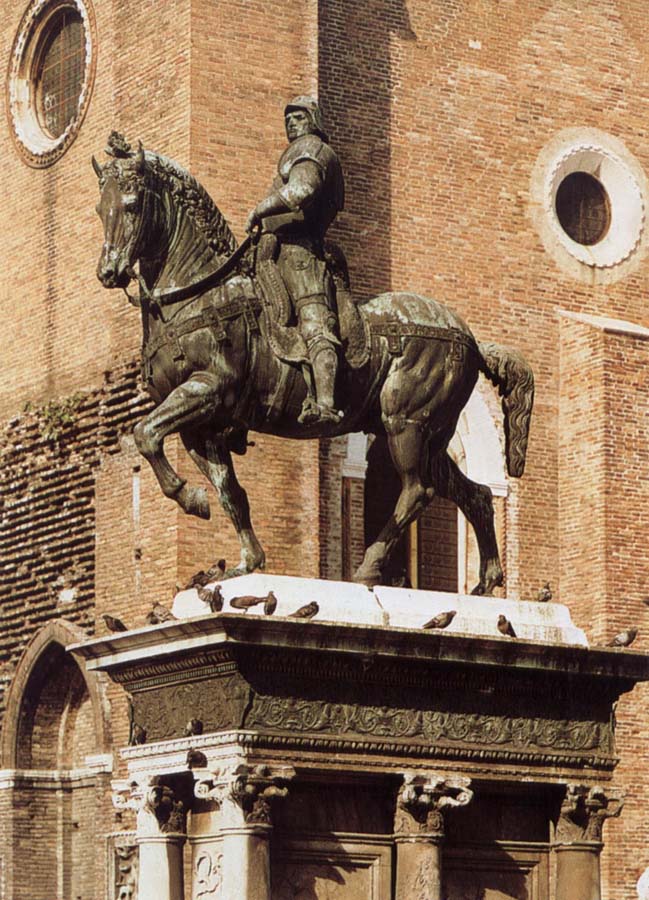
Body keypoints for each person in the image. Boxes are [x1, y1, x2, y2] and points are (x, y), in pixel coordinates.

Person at [246, 96, 345, 425]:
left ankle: (327, 402)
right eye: (289, 118)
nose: (291, 123)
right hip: (274, 251)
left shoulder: (312, 151)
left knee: (315, 322)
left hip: (303, 253)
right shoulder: (295, 152)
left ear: (313, 120)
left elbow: (301, 191)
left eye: (299, 117)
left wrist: (261, 209)